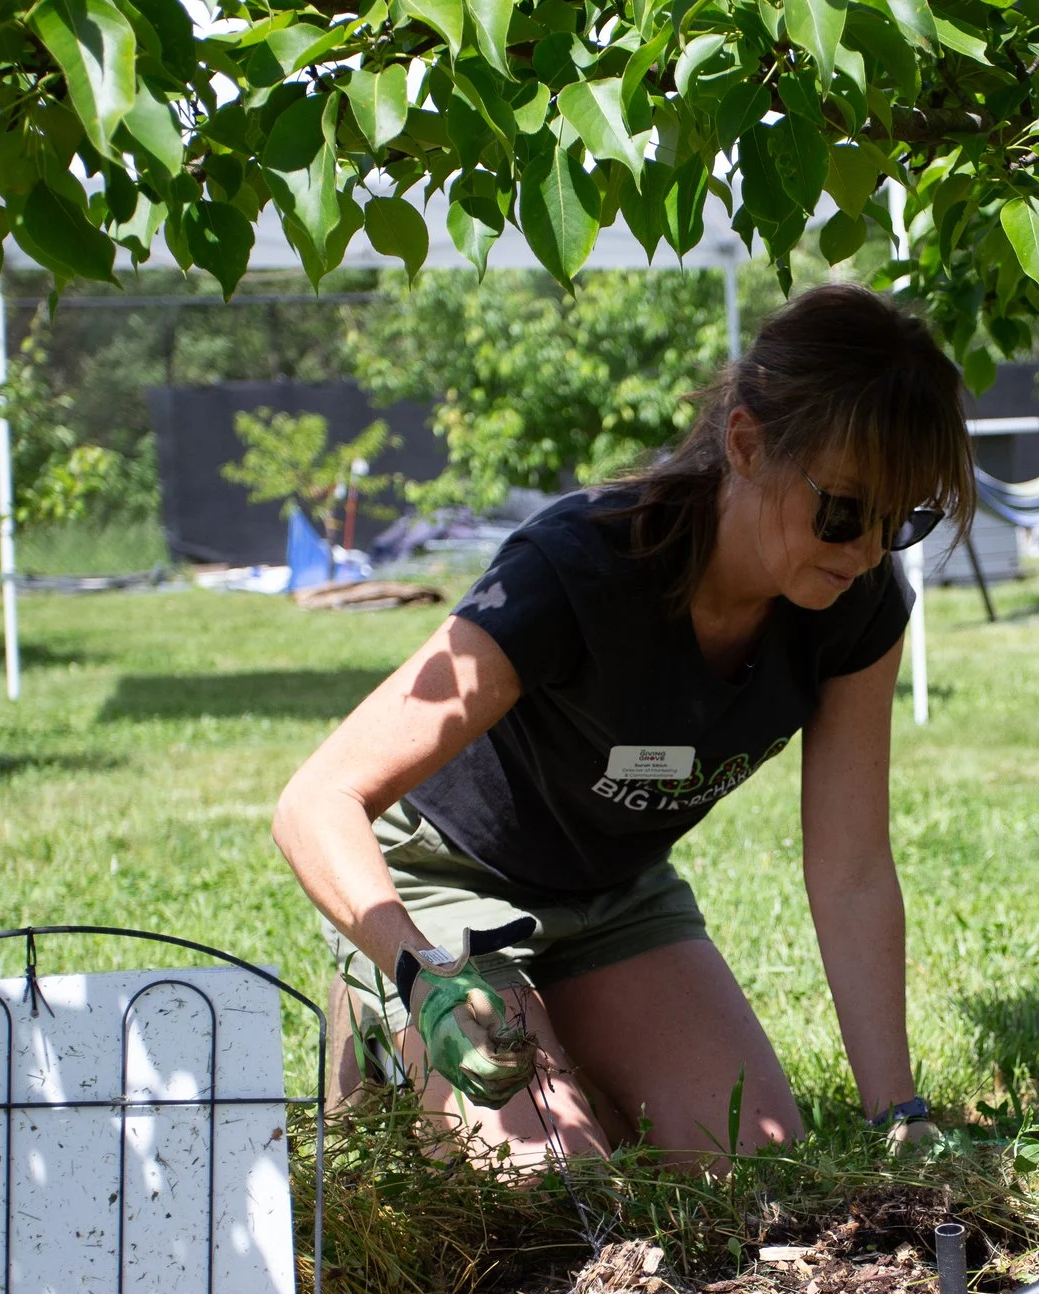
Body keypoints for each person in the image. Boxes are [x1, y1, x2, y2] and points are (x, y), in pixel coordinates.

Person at [272, 283, 974, 1171]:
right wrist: (425, 978)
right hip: (445, 882)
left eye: (902, 518)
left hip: (611, 898)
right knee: (550, 1187)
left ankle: (559, 1039)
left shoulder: (858, 605)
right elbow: (316, 800)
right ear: (747, 443)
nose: (868, 549)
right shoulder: (574, 573)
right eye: (843, 510)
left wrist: (897, 1115)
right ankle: (384, 1021)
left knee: (747, 1162)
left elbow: (852, 869)